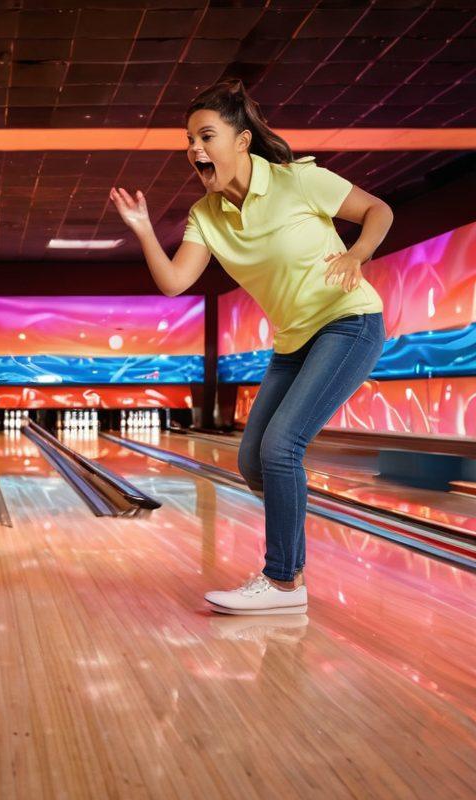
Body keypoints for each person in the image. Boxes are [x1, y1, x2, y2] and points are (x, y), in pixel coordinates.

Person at [110, 78, 392, 615]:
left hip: (348, 322)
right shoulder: (206, 215)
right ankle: (292, 567)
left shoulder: (298, 181)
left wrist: (356, 255)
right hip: (294, 342)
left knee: (281, 447)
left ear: (241, 142)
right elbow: (174, 282)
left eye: (206, 136)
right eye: (189, 140)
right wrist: (144, 229)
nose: (194, 149)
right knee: (253, 461)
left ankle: (283, 582)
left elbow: (379, 210)